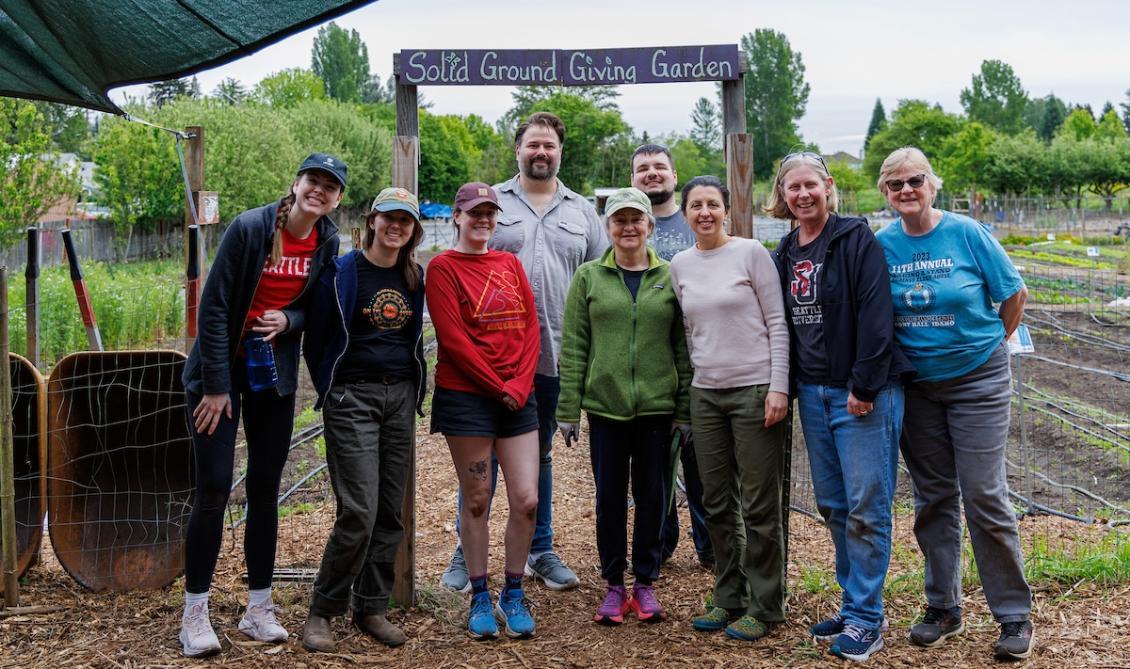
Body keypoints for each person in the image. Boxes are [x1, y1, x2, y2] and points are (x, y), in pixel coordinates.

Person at [178, 153, 345, 657]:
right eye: (312, 180)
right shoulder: (250, 228)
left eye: (329, 186)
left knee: (265, 488)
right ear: (295, 184)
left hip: (271, 375)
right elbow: (216, 304)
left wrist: (288, 321)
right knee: (213, 486)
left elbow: (313, 308)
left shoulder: (327, 240)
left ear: (338, 198)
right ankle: (195, 613)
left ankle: (258, 608)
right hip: (219, 373)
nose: (319, 191)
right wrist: (214, 385)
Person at [875, 147, 1034, 661]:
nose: (906, 190)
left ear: (932, 183)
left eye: (915, 180)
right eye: (895, 184)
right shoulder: (882, 245)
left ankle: (1013, 613)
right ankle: (943, 606)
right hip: (917, 388)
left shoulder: (965, 233)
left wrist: (987, 347)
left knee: (985, 493)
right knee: (934, 496)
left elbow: (1013, 294)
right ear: (885, 193)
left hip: (977, 383)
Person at [441, 111, 607, 593]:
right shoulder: (489, 202)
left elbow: (599, 278)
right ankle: (464, 552)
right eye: (533, 144)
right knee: (480, 457)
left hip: (552, 352)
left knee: (539, 456)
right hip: (487, 359)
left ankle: (540, 550)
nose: (541, 152)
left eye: (549, 146)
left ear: (560, 152)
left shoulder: (581, 213)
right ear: (518, 149)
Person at [768, 153, 914, 662]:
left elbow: (877, 314)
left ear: (828, 187)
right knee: (834, 505)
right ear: (783, 195)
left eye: (811, 184)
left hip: (861, 394)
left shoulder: (855, 240)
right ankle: (858, 603)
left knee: (866, 507)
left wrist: (866, 385)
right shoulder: (785, 251)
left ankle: (867, 620)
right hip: (814, 391)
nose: (803, 194)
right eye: (793, 188)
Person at [556, 187, 692, 625]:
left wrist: (684, 408)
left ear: (650, 226)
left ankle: (646, 583)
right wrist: (567, 408)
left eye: (637, 220)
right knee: (610, 498)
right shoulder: (590, 278)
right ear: (608, 227)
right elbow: (575, 345)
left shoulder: (669, 276)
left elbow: (683, 347)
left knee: (653, 497)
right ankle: (614, 584)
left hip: (657, 409)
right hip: (606, 408)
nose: (629, 227)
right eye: (620, 220)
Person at [299, 187, 427, 653]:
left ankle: (371, 606)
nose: (396, 226)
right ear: (373, 220)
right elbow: (315, 338)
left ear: (413, 230)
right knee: (358, 511)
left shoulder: (413, 276)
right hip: (354, 397)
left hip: (399, 398)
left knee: (390, 511)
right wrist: (333, 388)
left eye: (406, 221)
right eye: (389, 217)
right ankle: (322, 610)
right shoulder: (343, 272)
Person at [669, 175, 790, 642]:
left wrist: (777, 387)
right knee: (716, 501)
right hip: (707, 393)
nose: (704, 212)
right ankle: (729, 595)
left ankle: (766, 603)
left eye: (712, 204)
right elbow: (687, 334)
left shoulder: (750, 254)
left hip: (754, 390)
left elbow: (777, 323)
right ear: (685, 214)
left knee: (759, 503)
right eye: (696, 205)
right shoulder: (680, 265)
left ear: (727, 211)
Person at [426, 182, 541, 639]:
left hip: (516, 394)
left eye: (490, 213)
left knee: (527, 499)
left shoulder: (509, 263)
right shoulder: (443, 268)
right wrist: (498, 386)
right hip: (469, 396)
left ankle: (513, 593)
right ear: (457, 216)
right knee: (477, 498)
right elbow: (453, 339)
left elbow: (532, 327)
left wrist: (520, 383)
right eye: (475, 212)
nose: (483, 220)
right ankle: (478, 594)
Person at [629, 143, 713, 571]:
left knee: (702, 463)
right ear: (633, 180)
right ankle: (658, 545)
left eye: (659, 167)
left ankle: (711, 546)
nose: (652, 174)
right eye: (642, 169)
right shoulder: (626, 227)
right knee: (654, 468)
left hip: (701, 360)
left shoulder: (695, 220)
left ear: (674, 176)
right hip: (650, 367)